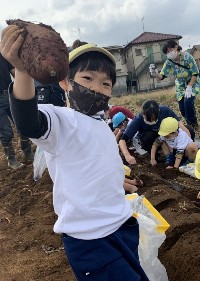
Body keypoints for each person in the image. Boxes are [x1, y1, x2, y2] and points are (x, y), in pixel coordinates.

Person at [1, 25, 149, 281]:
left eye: (106, 83)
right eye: (87, 78)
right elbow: (28, 122)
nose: (97, 88)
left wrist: (118, 181)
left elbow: (99, 163)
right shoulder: (61, 120)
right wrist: (22, 71)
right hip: (91, 240)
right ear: (65, 82)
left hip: (122, 226)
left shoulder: (102, 125)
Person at [119, 99, 193, 165]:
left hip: (166, 134)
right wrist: (127, 155)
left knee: (189, 129)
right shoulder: (138, 120)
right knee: (148, 136)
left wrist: (188, 138)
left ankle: (185, 155)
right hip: (150, 138)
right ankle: (160, 155)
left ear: (158, 112)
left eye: (153, 119)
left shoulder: (164, 110)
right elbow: (123, 140)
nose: (151, 121)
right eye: (148, 119)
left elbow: (179, 123)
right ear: (143, 114)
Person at [149, 39, 200, 130]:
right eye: (167, 52)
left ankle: (193, 125)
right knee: (182, 108)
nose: (169, 53)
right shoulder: (169, 62)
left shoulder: (187, 57)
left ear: (176, 47)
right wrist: (155, 73)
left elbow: (195, 73)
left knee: (188, 102)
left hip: (192, 82)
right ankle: (189, 122)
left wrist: (189, 87)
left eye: (170, 50)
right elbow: (162, 76)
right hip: (180, 85)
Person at [0, 53, 33, 169]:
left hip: (9, 94)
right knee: (6, 132)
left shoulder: (2, 55)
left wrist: (26, 75)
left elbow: (14, 70)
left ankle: (27, 152)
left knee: (21, 124)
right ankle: (11, 159)